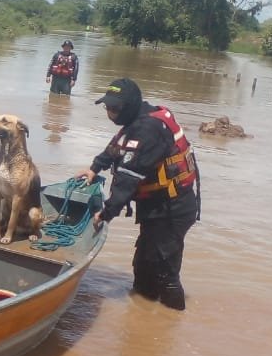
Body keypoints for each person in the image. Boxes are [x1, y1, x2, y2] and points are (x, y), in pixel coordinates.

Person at [78, 78, 200, 310]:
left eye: (115, 109)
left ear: (131, 106)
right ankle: (143, 324)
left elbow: (127, 178)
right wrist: (95, 168)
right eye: (107, 108)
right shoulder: (140, 119)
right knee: (143, 266)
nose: (110, 114)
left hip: (172, 209)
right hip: (157, 206)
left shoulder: (148, 129)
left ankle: (170, 324)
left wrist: (106, 213)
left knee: (165, 272)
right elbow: (117, 146)